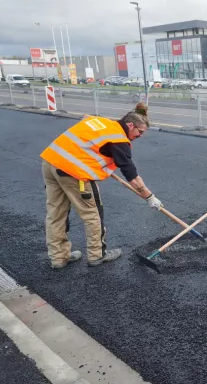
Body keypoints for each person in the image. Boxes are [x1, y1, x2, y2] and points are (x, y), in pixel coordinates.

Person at [39, 102, 163, 269]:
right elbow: (131, 175)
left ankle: (59, 258)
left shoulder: (102, 122)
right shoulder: (119, 139)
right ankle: (97, 255)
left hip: (51, 162)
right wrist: (149, 197)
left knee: (56, 214)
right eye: (139, 132)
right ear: (130, 125)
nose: (140, 135)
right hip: (73, 173)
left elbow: (85, 125)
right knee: (92, 214)